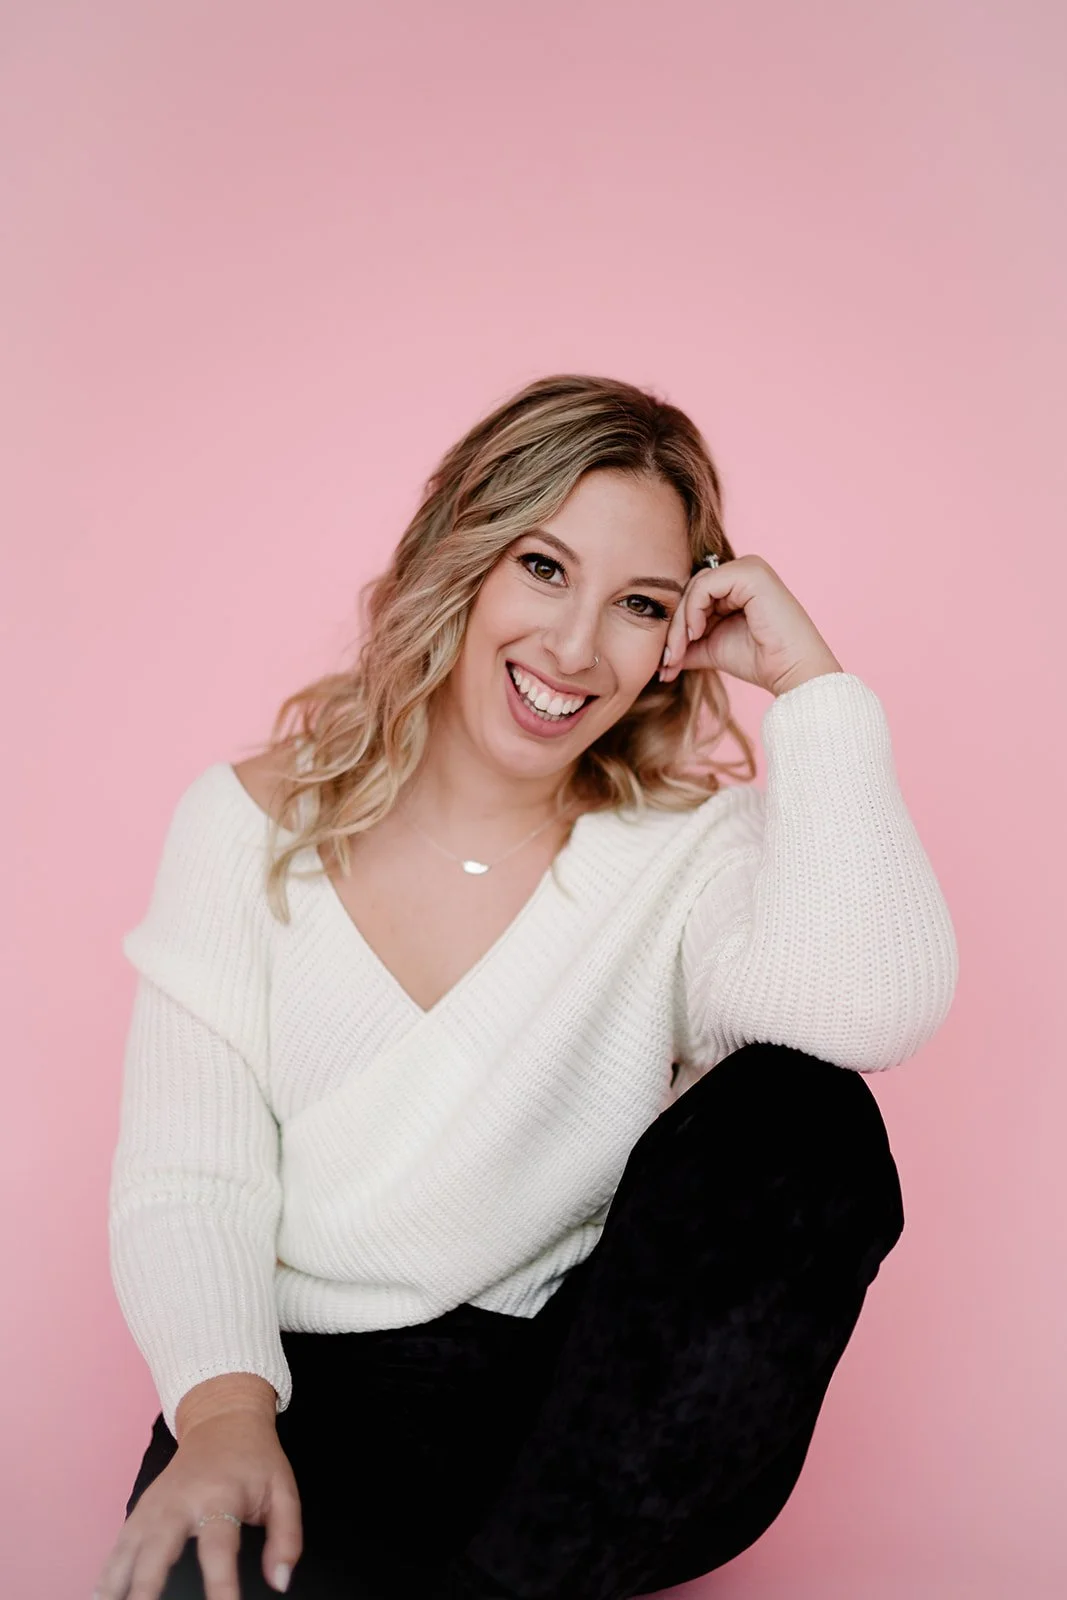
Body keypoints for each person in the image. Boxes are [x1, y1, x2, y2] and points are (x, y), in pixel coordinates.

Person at [94, 373, 958, 1600]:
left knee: (802, 1113)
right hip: (292, 1398)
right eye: (543, 569)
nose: (570, 648)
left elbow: (872, 1008)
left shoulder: (688, 851)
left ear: (677, 637)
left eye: (637, 603)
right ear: (464, 550)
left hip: (577, 1422)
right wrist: (223, 1414)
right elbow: (189, 1172)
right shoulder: (242, 824)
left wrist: (813, 690)